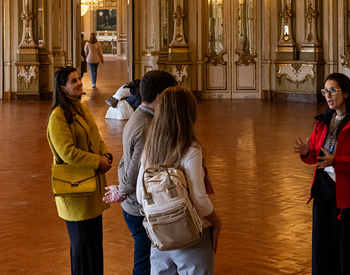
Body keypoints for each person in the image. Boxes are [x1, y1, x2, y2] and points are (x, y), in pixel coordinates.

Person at [293, 73, 350, 275]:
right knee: (323, 252)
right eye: (325, 91)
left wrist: (337, 162)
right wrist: (307, 152)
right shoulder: (323, 121)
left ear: (347, 93)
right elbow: (317, 156)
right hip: (324, 194)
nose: (328, 95)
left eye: (333, 90)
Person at [138, 87, 222, 274]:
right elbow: (199, 199)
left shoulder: (149, 148)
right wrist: (217, 222)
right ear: (188, 114)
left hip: (160, 235)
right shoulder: (190, 149)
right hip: (192, 233)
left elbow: (140, 194)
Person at [105, 70, 179, 275]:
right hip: (139, 208)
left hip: (134, 204)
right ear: (159, 97)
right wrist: (123, 189)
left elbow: (123, 162)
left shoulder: (138, 116)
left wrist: (123, 186)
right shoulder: (147, 127)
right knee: (144, 266)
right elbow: (134, 171)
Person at [48, 66, 113, 275]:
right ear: (62, 88)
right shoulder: (58, 117)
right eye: (73, 81)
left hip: (91, 190)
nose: (79, 83)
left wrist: (106, 155)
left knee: (94, 246)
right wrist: (97, 161)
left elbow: (96, 135)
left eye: (79, 79)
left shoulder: (81, 108)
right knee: (82, 249)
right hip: (76, 192)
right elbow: (67, 153)